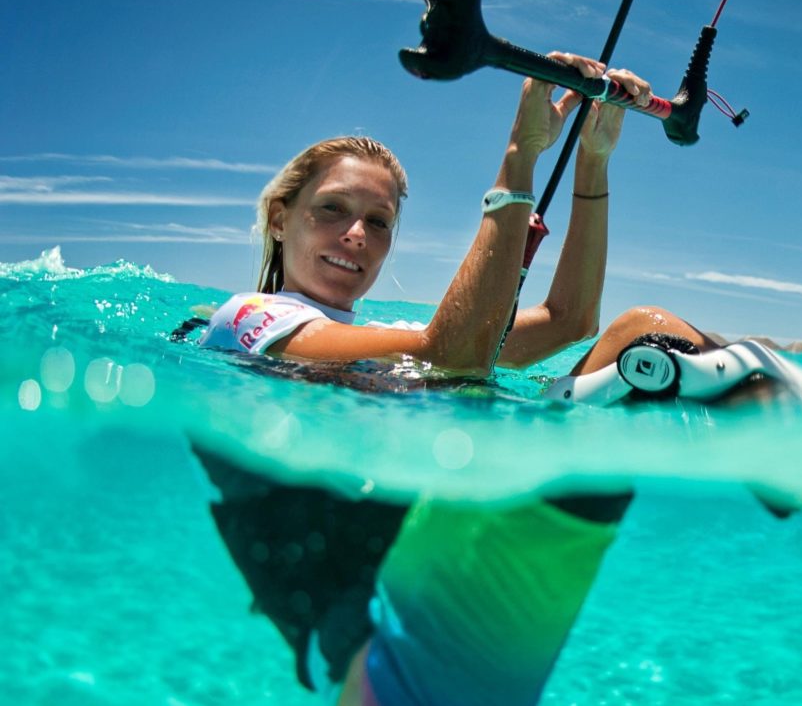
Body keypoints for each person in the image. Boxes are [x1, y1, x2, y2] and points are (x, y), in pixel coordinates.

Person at [193, 54, 727, 706]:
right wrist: (518, 157)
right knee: (648, 345)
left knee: (648, 343)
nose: (357, 235)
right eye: (332, 209)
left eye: (380, 221)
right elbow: (453, 355)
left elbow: (568, 321)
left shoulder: (376, 337)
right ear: (281, 217)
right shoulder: (247, 317)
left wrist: (593, 159)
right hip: (386, 646)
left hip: (437, 586)